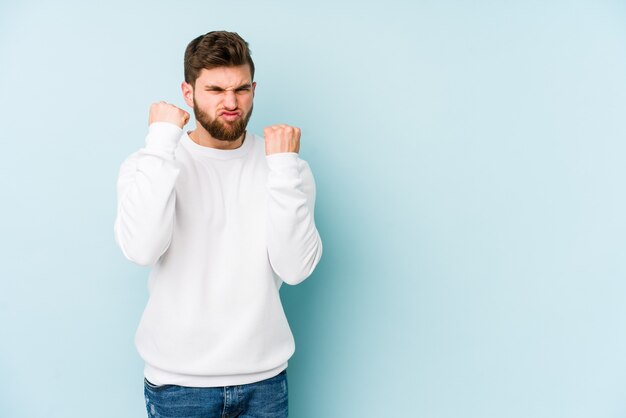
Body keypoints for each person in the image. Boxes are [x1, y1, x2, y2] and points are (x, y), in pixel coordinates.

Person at [114, 30, 322, 418]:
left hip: (265, 381)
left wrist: (283, 169)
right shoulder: (152, 161)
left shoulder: (284, 164)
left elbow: (294, 269)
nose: (231, 103)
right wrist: (161, 141)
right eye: (215, 89)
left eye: (241, 89)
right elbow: (141, 249)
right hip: (179, 385)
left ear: (254, 89)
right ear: (188, 92)